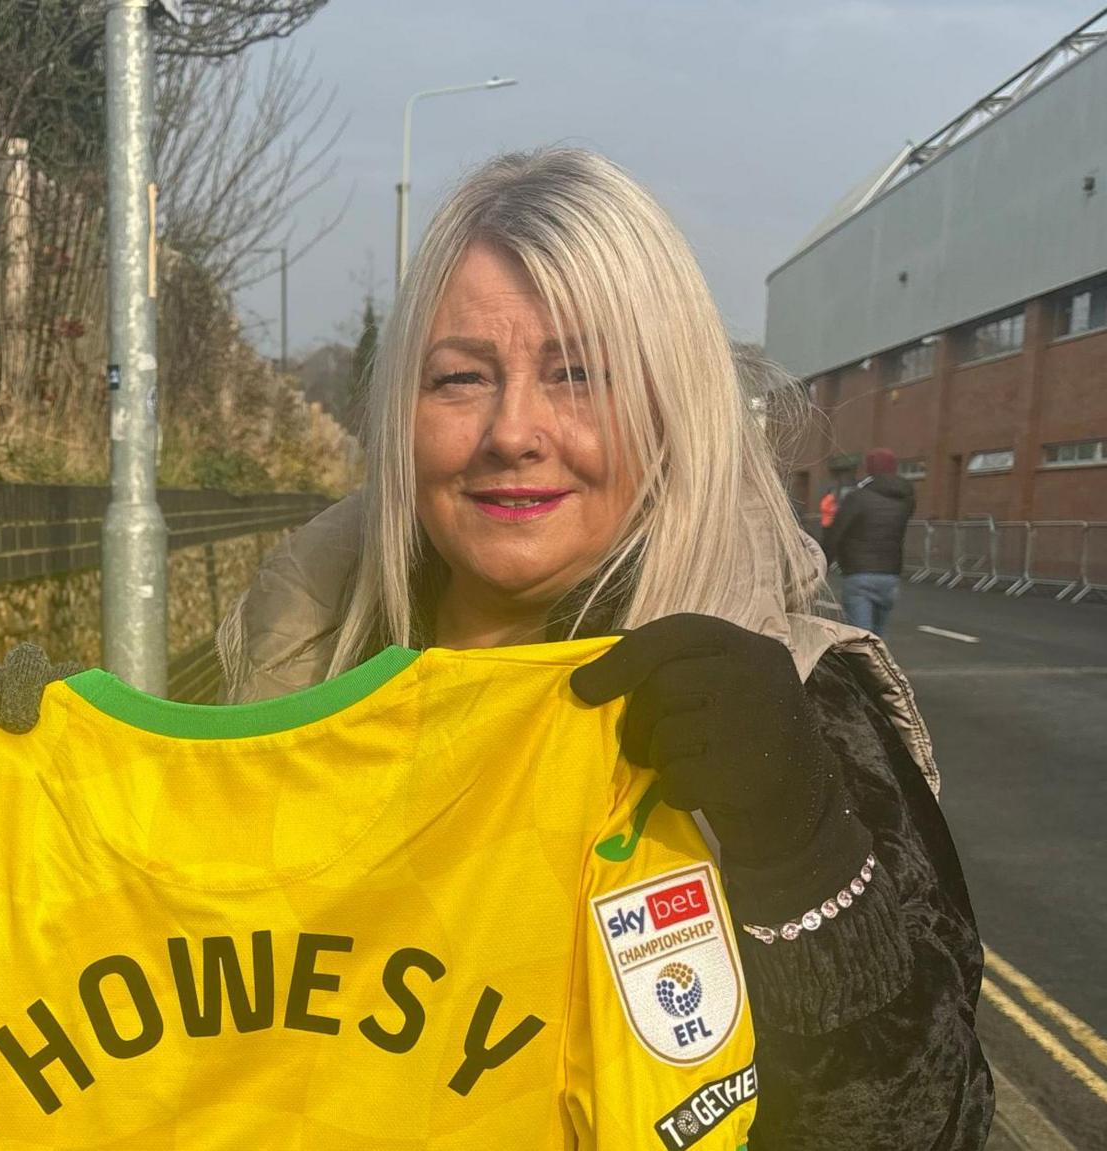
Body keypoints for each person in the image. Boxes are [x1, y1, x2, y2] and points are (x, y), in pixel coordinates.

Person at [206, 148, 989, 1149]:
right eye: (459, 377)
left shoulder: (800, 705)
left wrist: (799, 858)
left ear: (670, 411)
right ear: (400, 412)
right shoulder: (285, 671)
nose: (512, 430)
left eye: (577, 374)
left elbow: (923, 1120)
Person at [825, 448, 917, 636]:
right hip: (890, 575)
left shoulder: (857, 498)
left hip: (859, 573)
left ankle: (861, 666)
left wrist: (822, 564)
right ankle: (877, 665)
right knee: (878, 636)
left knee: (860, 637)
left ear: (870, 469)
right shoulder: (905, 500)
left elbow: (836, 532)